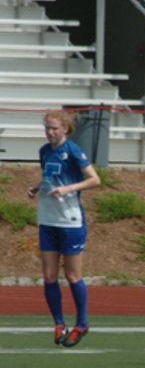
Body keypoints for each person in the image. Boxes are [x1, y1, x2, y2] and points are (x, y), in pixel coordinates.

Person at [27, 110, 101, 348]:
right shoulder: (44, 151)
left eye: (54, 128)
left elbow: (94, 179)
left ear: (66, 129)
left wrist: (67, 189)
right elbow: (51, 176)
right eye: (47, 128)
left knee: (72, 276)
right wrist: (37, 186)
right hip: (47, 220)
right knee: (49, 276)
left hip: (70, 221)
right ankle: (59, 323)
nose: (50, 132)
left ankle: (81, 324)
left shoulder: (73, 150)